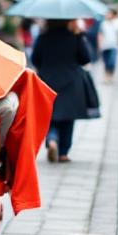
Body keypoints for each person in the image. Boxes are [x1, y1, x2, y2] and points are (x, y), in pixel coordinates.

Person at [32, 18, 97, 162]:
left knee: (49, 116)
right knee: (68, 119)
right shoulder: (75, 37)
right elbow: (86, 59)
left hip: (47, 82)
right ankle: (63, 153)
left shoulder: (43, 38)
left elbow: (35, 59)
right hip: (71, 83)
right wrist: (80, 36)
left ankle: (52, 139)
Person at [97, 7, 118, 83]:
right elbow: (100, 34)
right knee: (106, 62)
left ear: (113, 14)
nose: (107, 15)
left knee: (112, 62)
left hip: (114, 46)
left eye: (109, 13)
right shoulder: (103, 23)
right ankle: (106, 76)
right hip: (104, 45)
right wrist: (99, 44)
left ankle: (111, 75)